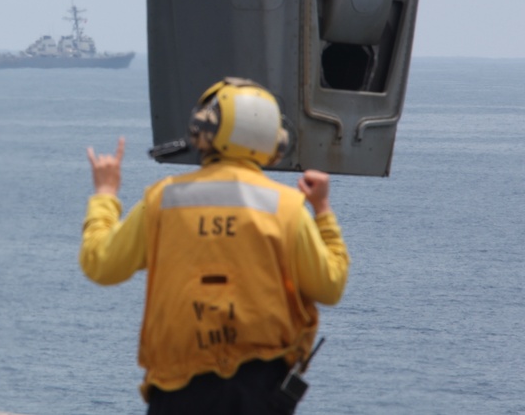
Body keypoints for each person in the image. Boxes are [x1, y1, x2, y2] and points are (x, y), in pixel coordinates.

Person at [80, 77, 349, 414]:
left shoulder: (164, 199)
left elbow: (101, 263)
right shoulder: (286, 207)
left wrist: (105, 195)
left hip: (177, 391)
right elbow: (330, 285)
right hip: (261, 391)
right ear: (271, 138)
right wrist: (322, 210)